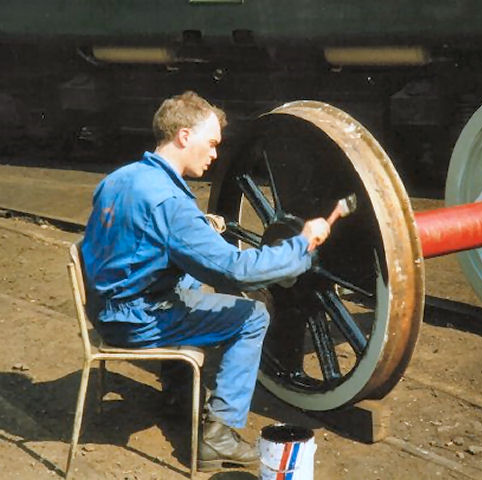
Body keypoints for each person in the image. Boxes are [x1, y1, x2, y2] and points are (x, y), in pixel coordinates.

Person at [81, 91, 330, 470]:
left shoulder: (120, 178)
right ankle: (218, 436)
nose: (215, 154)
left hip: (103, 308)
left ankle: (178, 396)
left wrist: (198, 229)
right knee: (252, 317)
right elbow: (235, 270)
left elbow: (136, 240)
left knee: (190, 283)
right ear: (184, 136)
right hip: (134, 320)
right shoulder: (171, 203)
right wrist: (301, 245)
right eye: (211, 143)